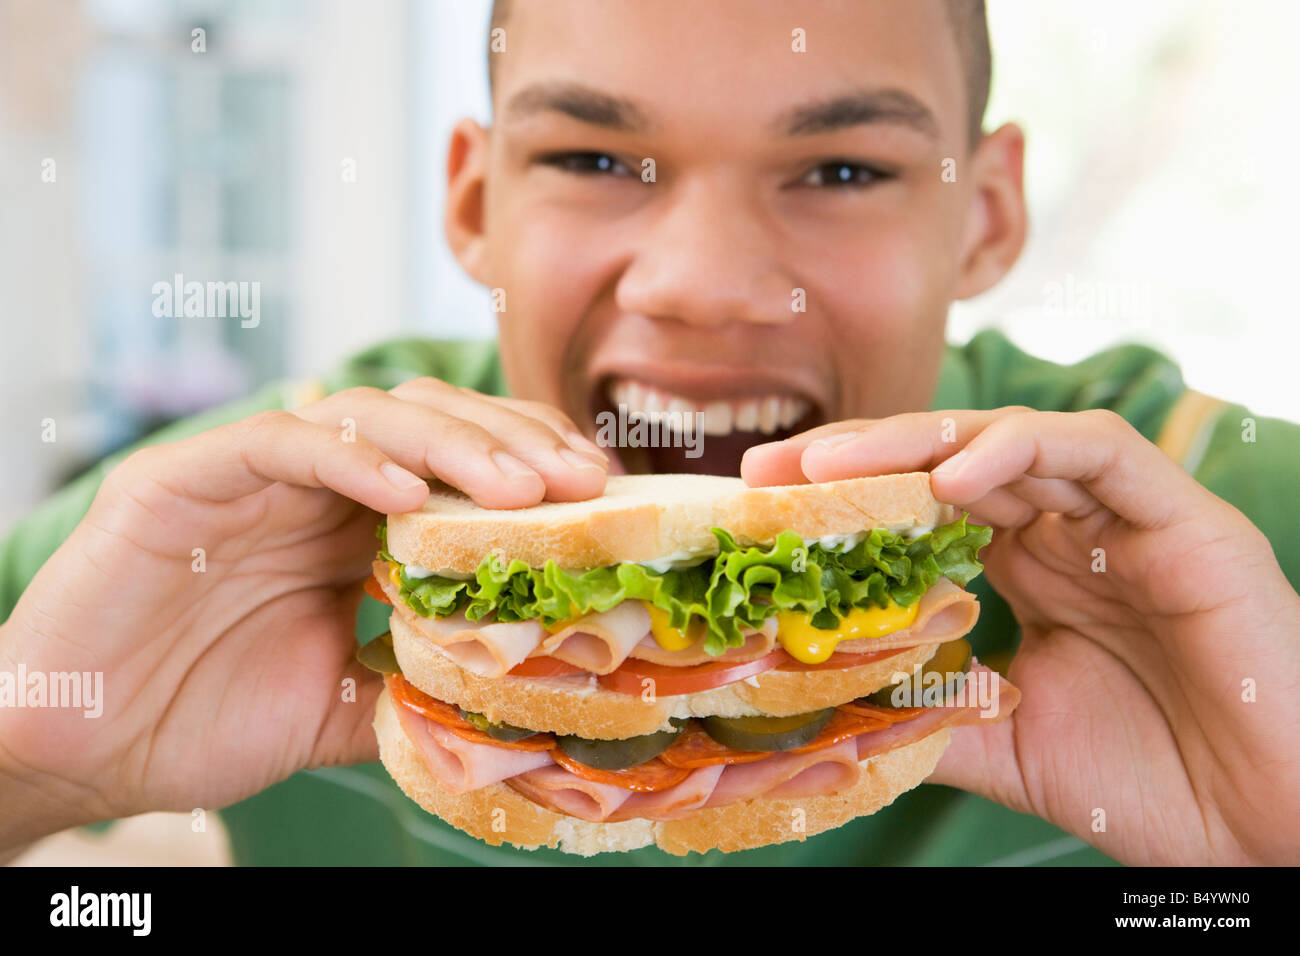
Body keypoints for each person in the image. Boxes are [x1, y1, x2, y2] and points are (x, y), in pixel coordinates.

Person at [2, 0, 1297, 867]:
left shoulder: (1220, 533)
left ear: (988, 216)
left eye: (843, 171)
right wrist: (35, 773)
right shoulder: (228, 525)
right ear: (475, 202)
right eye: (595, 160)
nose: (703, 285)